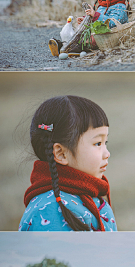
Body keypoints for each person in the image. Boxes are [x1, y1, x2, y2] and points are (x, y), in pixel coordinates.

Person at [19, 95, 117, 233]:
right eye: (97, 143)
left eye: (105, 143)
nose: (107, 153)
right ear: (61, 153)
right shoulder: (53, 209)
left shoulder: (90, 197)